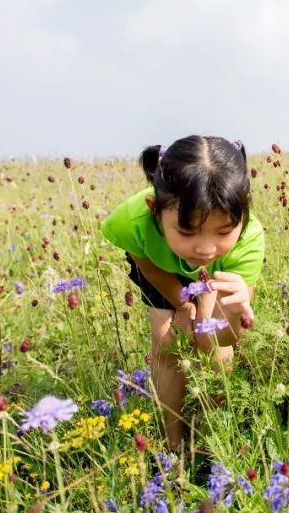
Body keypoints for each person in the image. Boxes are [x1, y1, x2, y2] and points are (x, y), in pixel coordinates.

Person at [100, 135, 264, 450]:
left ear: (242, 215)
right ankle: (171, 446)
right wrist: (181, 302)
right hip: (160, 265)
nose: (204, 247)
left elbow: (220, 337)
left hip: (218, 274)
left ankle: (212, 441)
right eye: (187, 231)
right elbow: (146, 263)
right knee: (166, 344)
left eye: (222, 231)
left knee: (215, 352)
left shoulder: (247, 242)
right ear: (155, 211)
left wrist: (230, 316)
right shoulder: (133, 221)